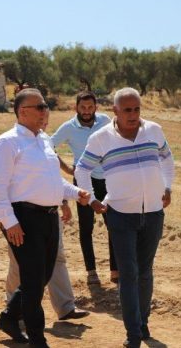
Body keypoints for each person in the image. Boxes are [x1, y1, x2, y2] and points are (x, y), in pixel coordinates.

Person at [75, 87, 175, 348]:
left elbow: (167, 159)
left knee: (145, 272)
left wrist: (167, 187)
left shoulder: (154, 131)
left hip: (153, 213)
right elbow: (82, 169)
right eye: (127, 110)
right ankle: (133, 335)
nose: (133, 115)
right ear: (115, 111)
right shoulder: (101, 138)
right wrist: (91, 199)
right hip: (119, 215)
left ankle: (143, 324)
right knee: (128, 274)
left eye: (137, 109)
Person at [0, 88, 90, 348]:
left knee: (42, 276)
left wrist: (75, 192)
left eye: (45, 106)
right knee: (33, 283)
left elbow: (53, 181)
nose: (46, 111)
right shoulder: (7, 142)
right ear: (23, 112)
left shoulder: (44, 140)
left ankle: (9, 318)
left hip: (49, 217)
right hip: (23, 218)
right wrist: (10, 222)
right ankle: (37, 340)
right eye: (40, 107)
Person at [51, 91, 116, 285]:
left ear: (96, 107)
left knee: (113, 225)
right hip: (83, 181)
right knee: (86, 227)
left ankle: (115, 271)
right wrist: (66, 168)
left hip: (107, 180)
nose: (87, 111)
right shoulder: (68, 128)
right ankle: (91, 271)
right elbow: (48, 146)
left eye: (90, 107)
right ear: (76, 108)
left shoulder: (105, 121)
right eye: (83, 107)